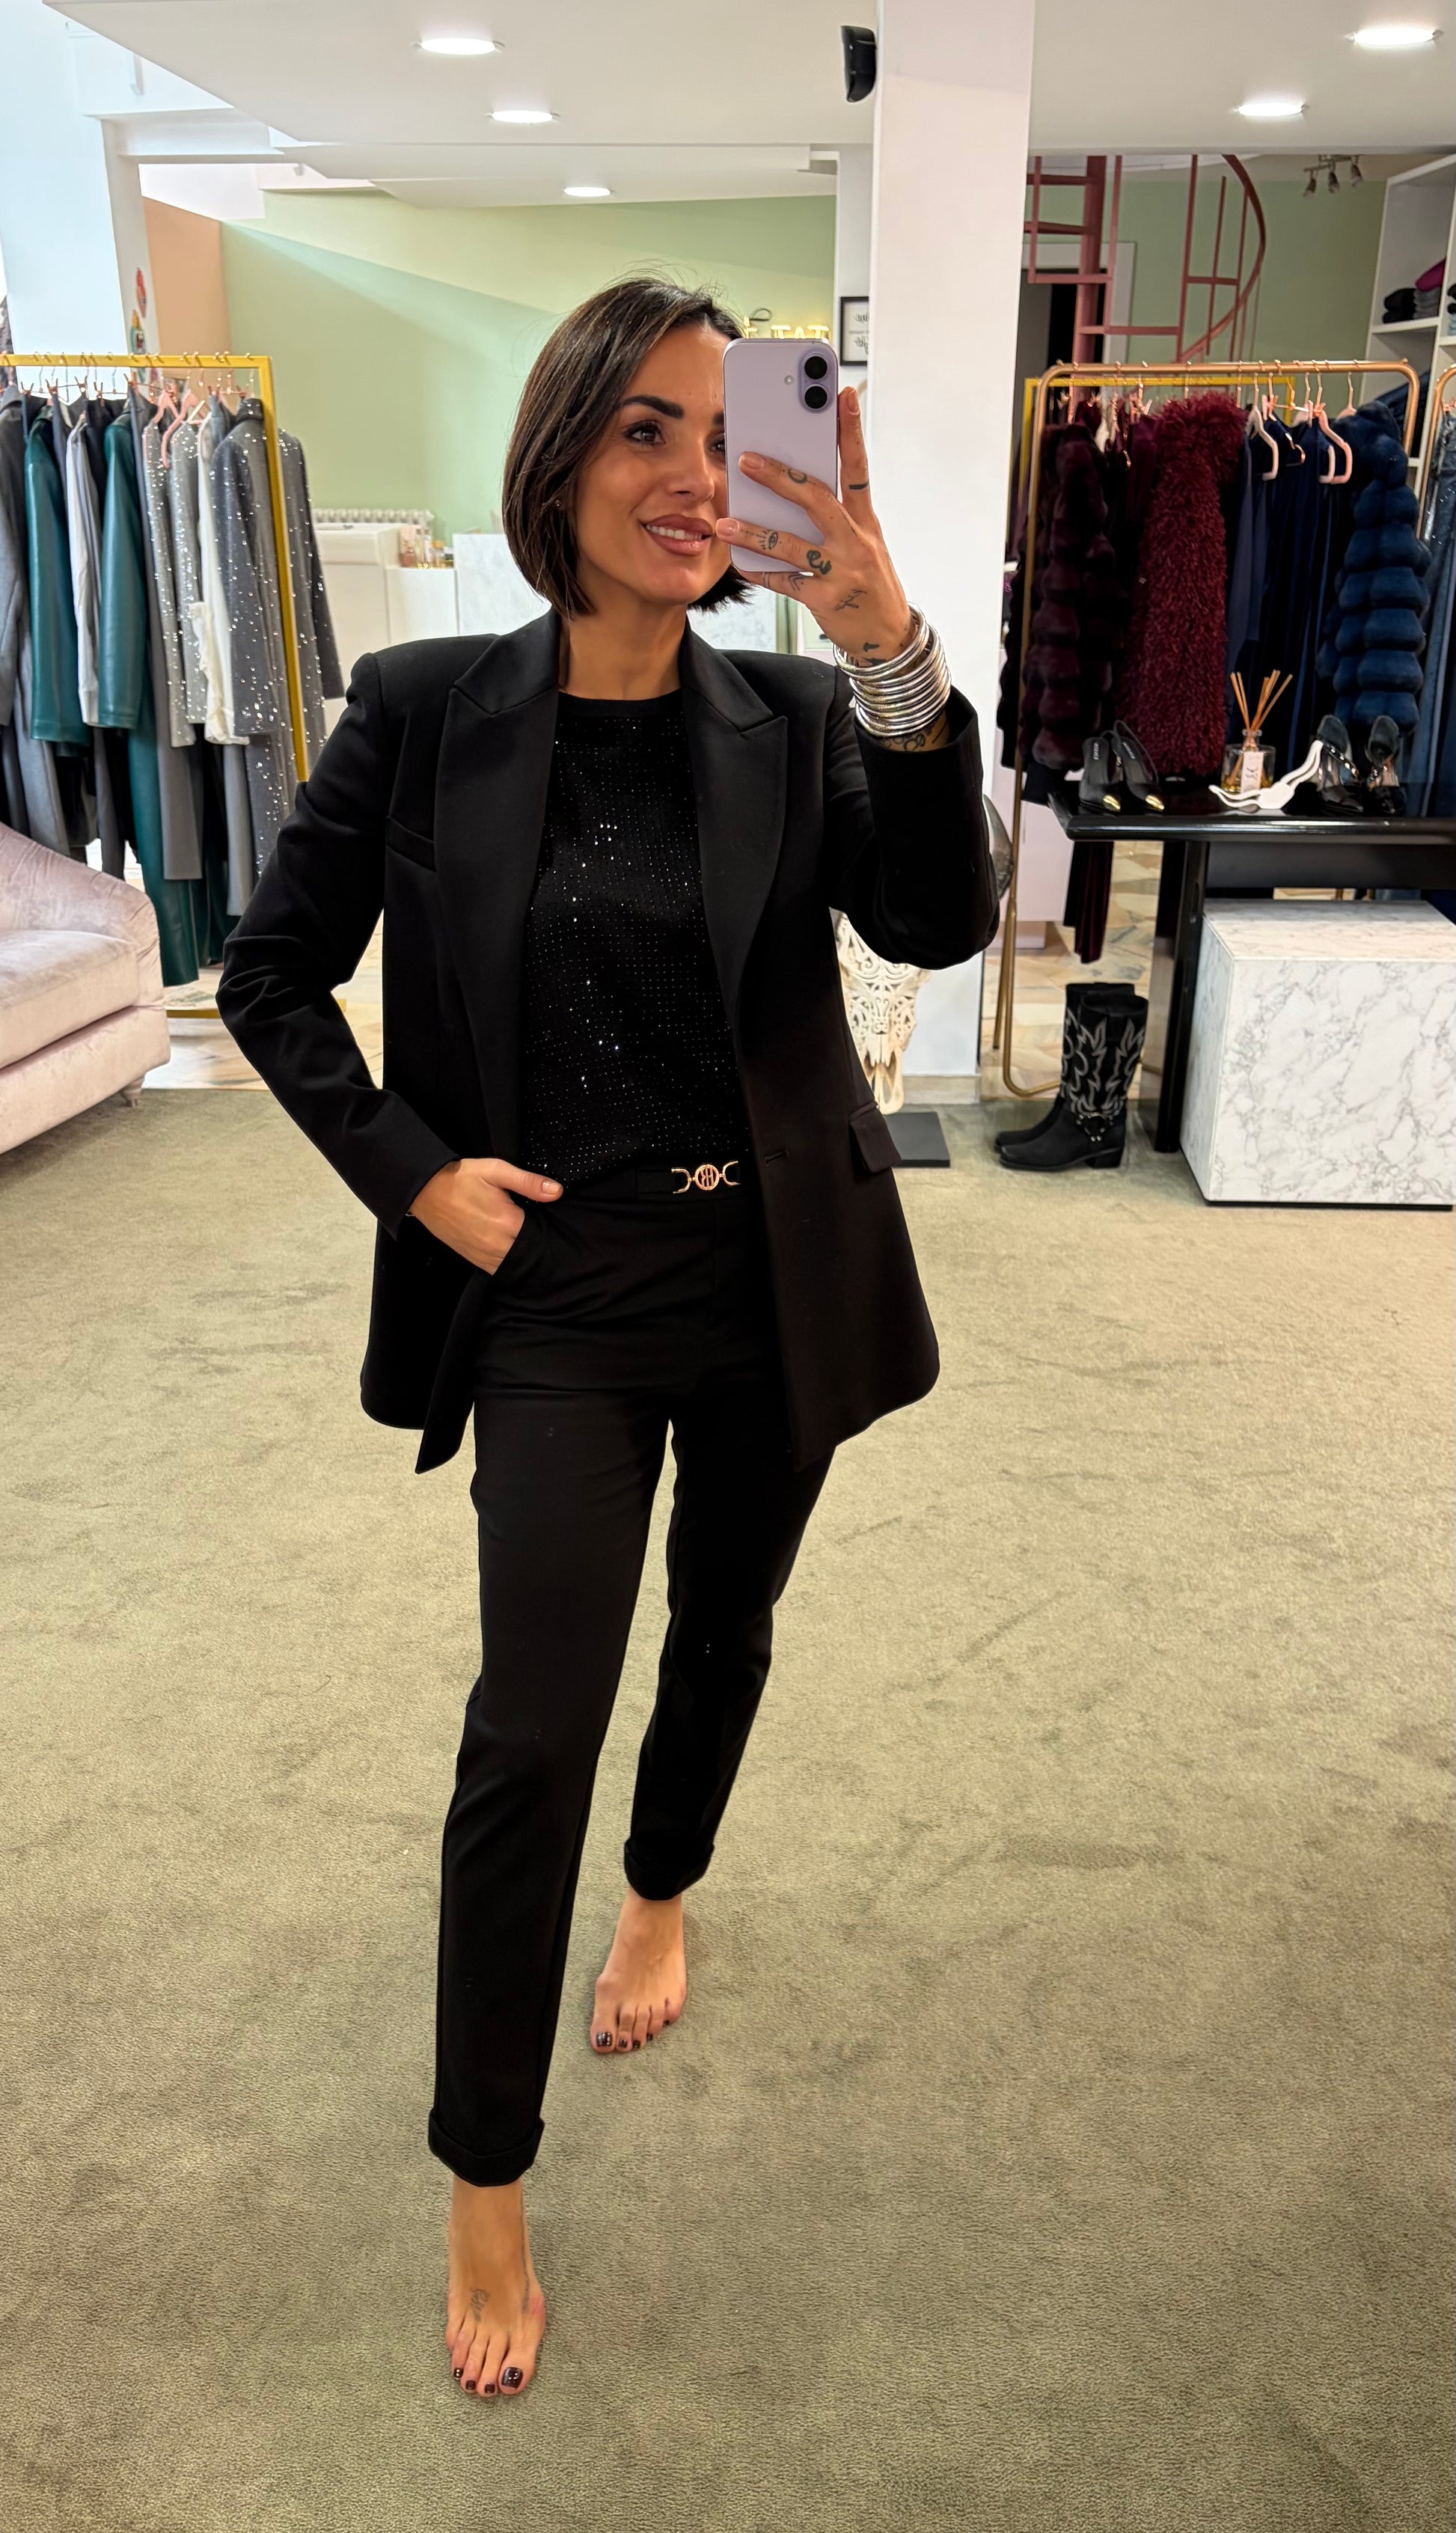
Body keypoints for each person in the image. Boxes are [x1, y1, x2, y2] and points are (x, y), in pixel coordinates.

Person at [217, 277, 997, 2403]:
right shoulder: (423, 708)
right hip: (555, 1289)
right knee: (533, 1719)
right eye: (644, 430)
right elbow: (268, 975)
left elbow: (938, 918)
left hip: (772, 1278)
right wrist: (413, 1173)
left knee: (726, 1620)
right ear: (559, 458)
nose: (690, 476)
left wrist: (884, 630)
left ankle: (663, 1888)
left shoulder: (800, 714)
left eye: (723, 434)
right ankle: (485, 2174)